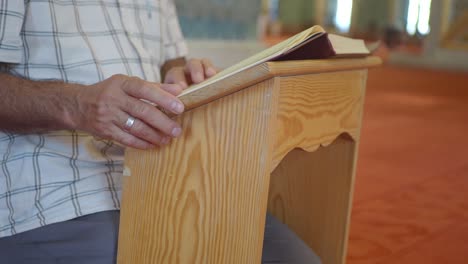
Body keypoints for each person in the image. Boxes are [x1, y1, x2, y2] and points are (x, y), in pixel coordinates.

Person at [0, 1, 321, 263]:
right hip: (56, 194)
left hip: (166, 177)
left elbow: (172, 63)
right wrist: (77, 105)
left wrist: (187, 80)